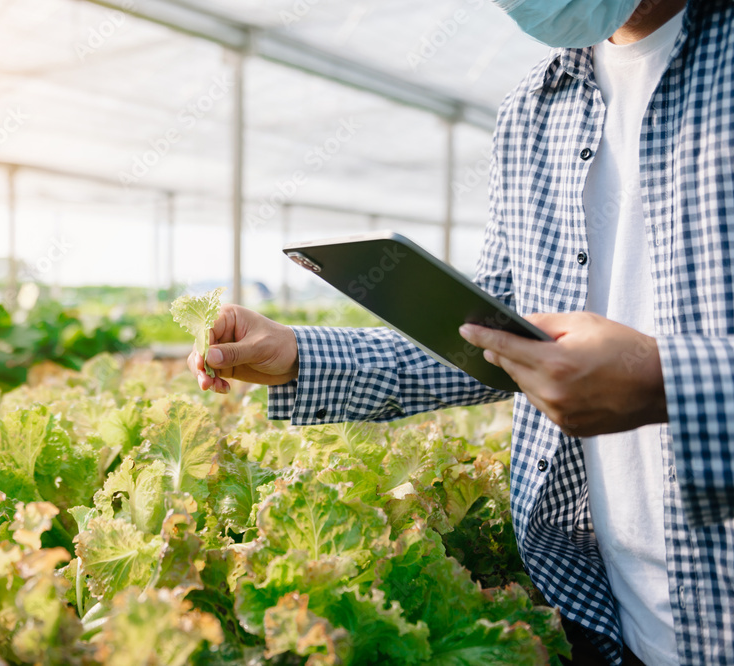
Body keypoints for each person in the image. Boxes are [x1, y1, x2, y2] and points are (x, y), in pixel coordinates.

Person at [187, 1, 734, 664]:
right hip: (615, 612)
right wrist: (300, 355)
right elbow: (491, 335)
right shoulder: (535, 110)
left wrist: (668, 383)